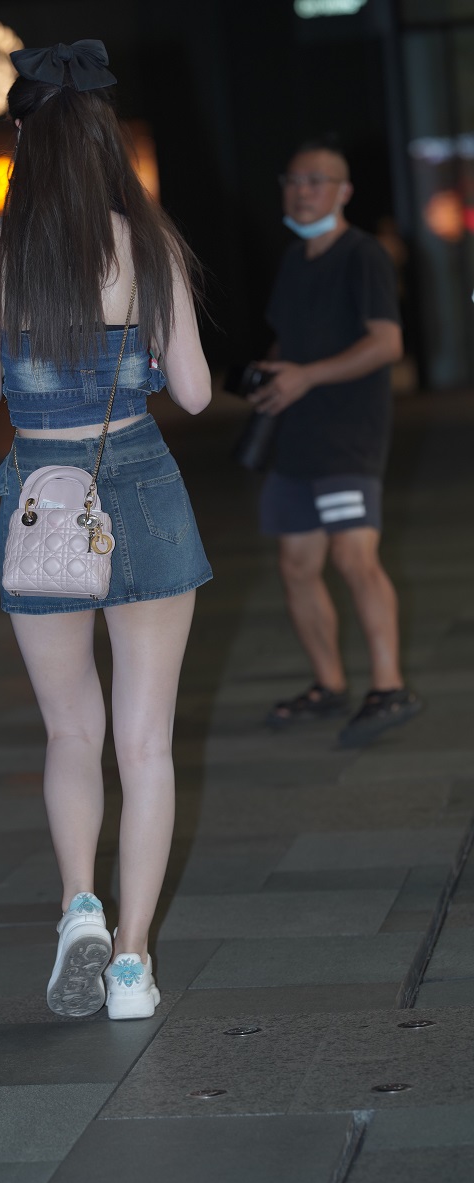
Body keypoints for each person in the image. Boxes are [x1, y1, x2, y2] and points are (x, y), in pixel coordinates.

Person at [0, 40, 212, 1020]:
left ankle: (79, 906)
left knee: (70, 731)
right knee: (146, 746)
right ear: (103, 138)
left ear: (23, 139)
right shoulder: (145, 242)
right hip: (140, 486)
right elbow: (194, 391)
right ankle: (133, 964)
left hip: (41, 496)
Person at [251, 136, 421, 748]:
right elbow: (289, 341)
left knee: (354, 557)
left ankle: (389, 686)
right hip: (297, 437)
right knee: (297, 566)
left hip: (350, 435)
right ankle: (329, 684)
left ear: (344, 191)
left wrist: (308, 376)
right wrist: (272, 375)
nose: (301, 191)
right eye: (292, 181)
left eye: (315, 181)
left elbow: (387, 343)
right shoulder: (296, 260)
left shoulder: (363, 255)